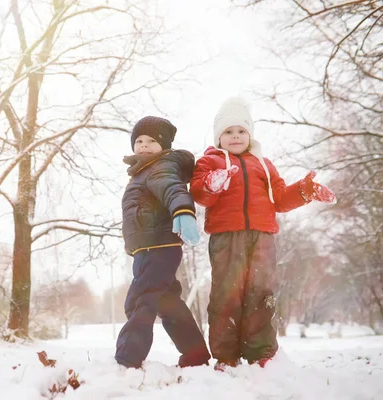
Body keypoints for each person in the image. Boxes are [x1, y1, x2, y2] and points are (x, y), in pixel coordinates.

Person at [190, 97, 336, 371]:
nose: (235, 136)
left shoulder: (264, 165)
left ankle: (262, 353)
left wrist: (305, 190)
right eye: (228, 131)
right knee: (227, 295)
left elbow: (279, 199)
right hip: (227, 238)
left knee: (262, 294)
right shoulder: (209, 162)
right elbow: (200, 194)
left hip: (262, 238)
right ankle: (226, 356)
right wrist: (212, 184)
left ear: (250, 134)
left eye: (241, 131)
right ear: (218, 136)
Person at [115, 116, 211, 369]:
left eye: (151, 141)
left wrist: (183, 210)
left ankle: (128, 358)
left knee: (140, 300)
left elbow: (173, 188)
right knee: (168, 303)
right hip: (152, 247)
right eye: (139, 140)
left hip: (156, 246)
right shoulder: (144, 170)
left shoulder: (159, 167)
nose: (144, 145)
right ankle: (196, 355)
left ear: (164, 145)